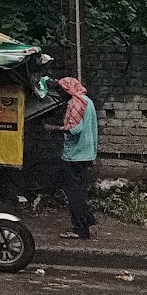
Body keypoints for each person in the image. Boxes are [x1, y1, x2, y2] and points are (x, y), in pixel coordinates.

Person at [56, 76, 98, 240]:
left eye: (61, 91)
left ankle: (80, 229)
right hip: (86, 153)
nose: (60, 94)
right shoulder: (88, 101)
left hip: (74, 155)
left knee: (73, 194)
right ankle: (89, 221)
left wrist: (54, 128)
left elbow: (74, 129)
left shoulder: (75, 102)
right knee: (79, 191)